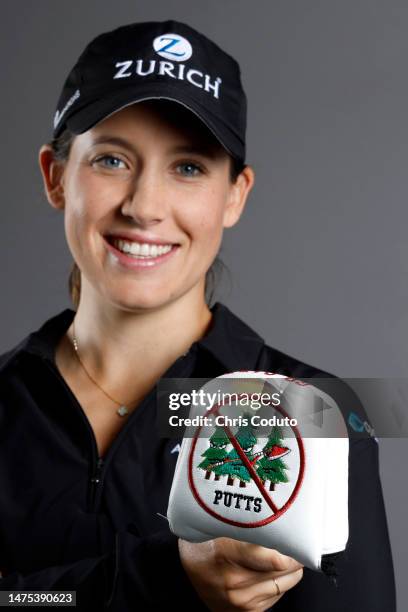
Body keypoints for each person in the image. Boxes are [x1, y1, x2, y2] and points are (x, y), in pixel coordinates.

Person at [0, 19, 396, 612]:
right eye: (111, 160)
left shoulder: (316, 414)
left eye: (188, 168)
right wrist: (165, 577)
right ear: (56, 177)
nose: (144, 207)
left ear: (235, 194)